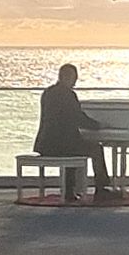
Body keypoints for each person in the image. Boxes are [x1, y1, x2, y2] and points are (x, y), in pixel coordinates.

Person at [33, 62, 116, 202]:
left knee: (74, 145)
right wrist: (99, 126)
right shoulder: (68, 95)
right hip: (61, 146)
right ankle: (101, 189)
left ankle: (70, 191)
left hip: (45, 144)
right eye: (74, 78)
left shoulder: (48, 93)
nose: (75, 81)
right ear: (68, 77)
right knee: (96, 149)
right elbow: (79, 118)